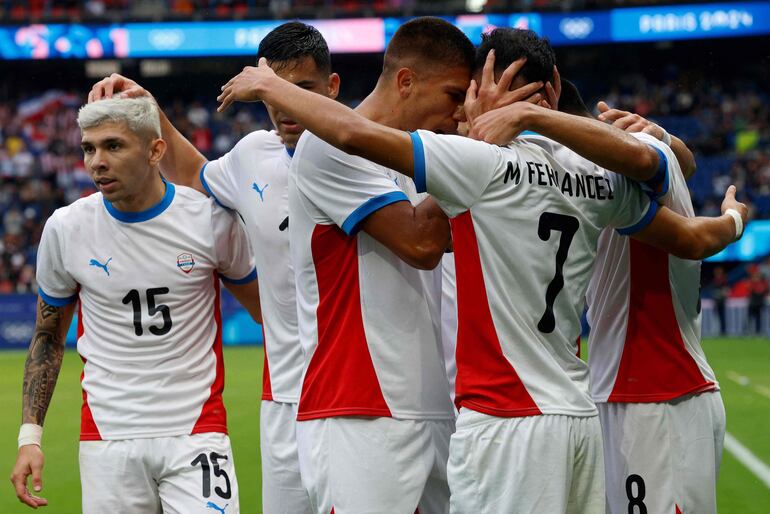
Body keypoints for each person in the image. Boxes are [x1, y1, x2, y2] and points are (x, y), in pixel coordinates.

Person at [215, 37, 747, 512]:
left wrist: (270, 85)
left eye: (466, 95)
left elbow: (357, 136)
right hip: (553, 411)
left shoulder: (472, 162)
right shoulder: (591, 170)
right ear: (556, 85)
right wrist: (731, 216)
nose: (457, 112)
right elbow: (682, 208)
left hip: (497, 416)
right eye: (454, 95)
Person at [88, 22, 339, 514]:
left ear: (332, 88)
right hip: (285, 394)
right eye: (275, 92)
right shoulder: (253, 156)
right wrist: (149, 107)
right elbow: (194, 176)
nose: (287, 107)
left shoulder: (370, 153)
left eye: (302, 91)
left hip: (363, 394)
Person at [9, 97, 260, 513]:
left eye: (113, 146)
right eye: (88, 148)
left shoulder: (210, 220)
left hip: (196, 433)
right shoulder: (66, 228)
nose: (97, 162)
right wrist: (29, 438)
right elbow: (48, 336)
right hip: (108, 441)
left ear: (155, 150)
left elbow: (266, 312)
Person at [555, 79, 728, 514]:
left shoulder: (614, 153)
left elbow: (657, 160)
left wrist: (663, 138)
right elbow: (677, 162)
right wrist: (669, 138)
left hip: (660, 390)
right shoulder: (571, 165)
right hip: (620, 387)